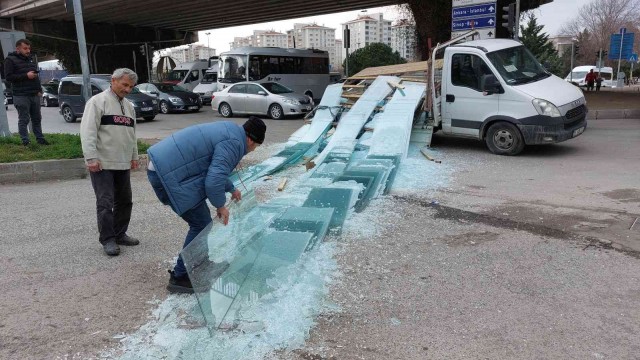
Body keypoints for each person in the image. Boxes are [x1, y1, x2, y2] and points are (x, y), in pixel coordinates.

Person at [146, 116, 266, 294]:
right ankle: (180, 276)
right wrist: (220, 206)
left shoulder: (231, 132)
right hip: (168, 174)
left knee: (202, 222)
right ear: (250, 139)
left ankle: (200, 263)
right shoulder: (235, 143)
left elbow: (214, 167)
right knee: (200, 223)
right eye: (256, 146)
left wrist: (231, 188)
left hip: (167, 168)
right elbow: (213, 180)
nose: (253, 150)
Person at [80, 68, 140, 256]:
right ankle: (108, 239)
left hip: (122, 162)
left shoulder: (129, 106)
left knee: (125, 201)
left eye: (131, 86)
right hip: (103, 163)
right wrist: (91, 157)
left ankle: (120, 233)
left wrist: (134, 156)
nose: (127, 89)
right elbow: (88, 131)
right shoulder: (97, 102)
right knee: (105, 203)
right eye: (124, 84)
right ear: (113, 81)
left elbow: (132, 134)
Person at [4, 39, 47, 146]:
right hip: (21, 95)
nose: (28, 50)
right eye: (25, 48)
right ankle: (25, 141)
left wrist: (39, 90)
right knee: (24, 119)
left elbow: (35, 76)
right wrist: (26, 76)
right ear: (18, 49)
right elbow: (8, 77)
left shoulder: (30, 59)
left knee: (37, 118)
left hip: (34, 94)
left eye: (29, 48)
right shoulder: (10, 60)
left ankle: (40, 139)